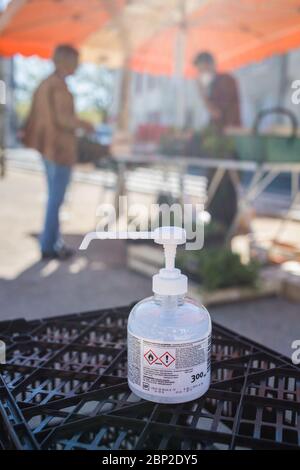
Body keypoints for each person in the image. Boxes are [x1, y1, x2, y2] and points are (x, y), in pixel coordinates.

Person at [23, 44, 94, 260]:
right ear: (67, 61)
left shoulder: (44, 84)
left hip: (47, 148)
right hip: (59, 149)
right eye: (76, 61)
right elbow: (63, 120)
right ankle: (49, 245)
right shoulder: (58, 86)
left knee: (53, 199)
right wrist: (85, 124)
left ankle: (53, 242)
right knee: (56, 199)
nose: (78, 66)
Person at [193, 51, 241, 230]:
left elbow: (217, 113)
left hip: (226, 144)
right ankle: (220, 229)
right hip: (221, 143)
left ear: (209, 65)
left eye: (201, 69)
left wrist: (202, 93)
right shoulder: (219, 82)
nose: (200, 73)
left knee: (223, 189)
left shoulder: (224, 81)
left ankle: (224, 230)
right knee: (217, 188)